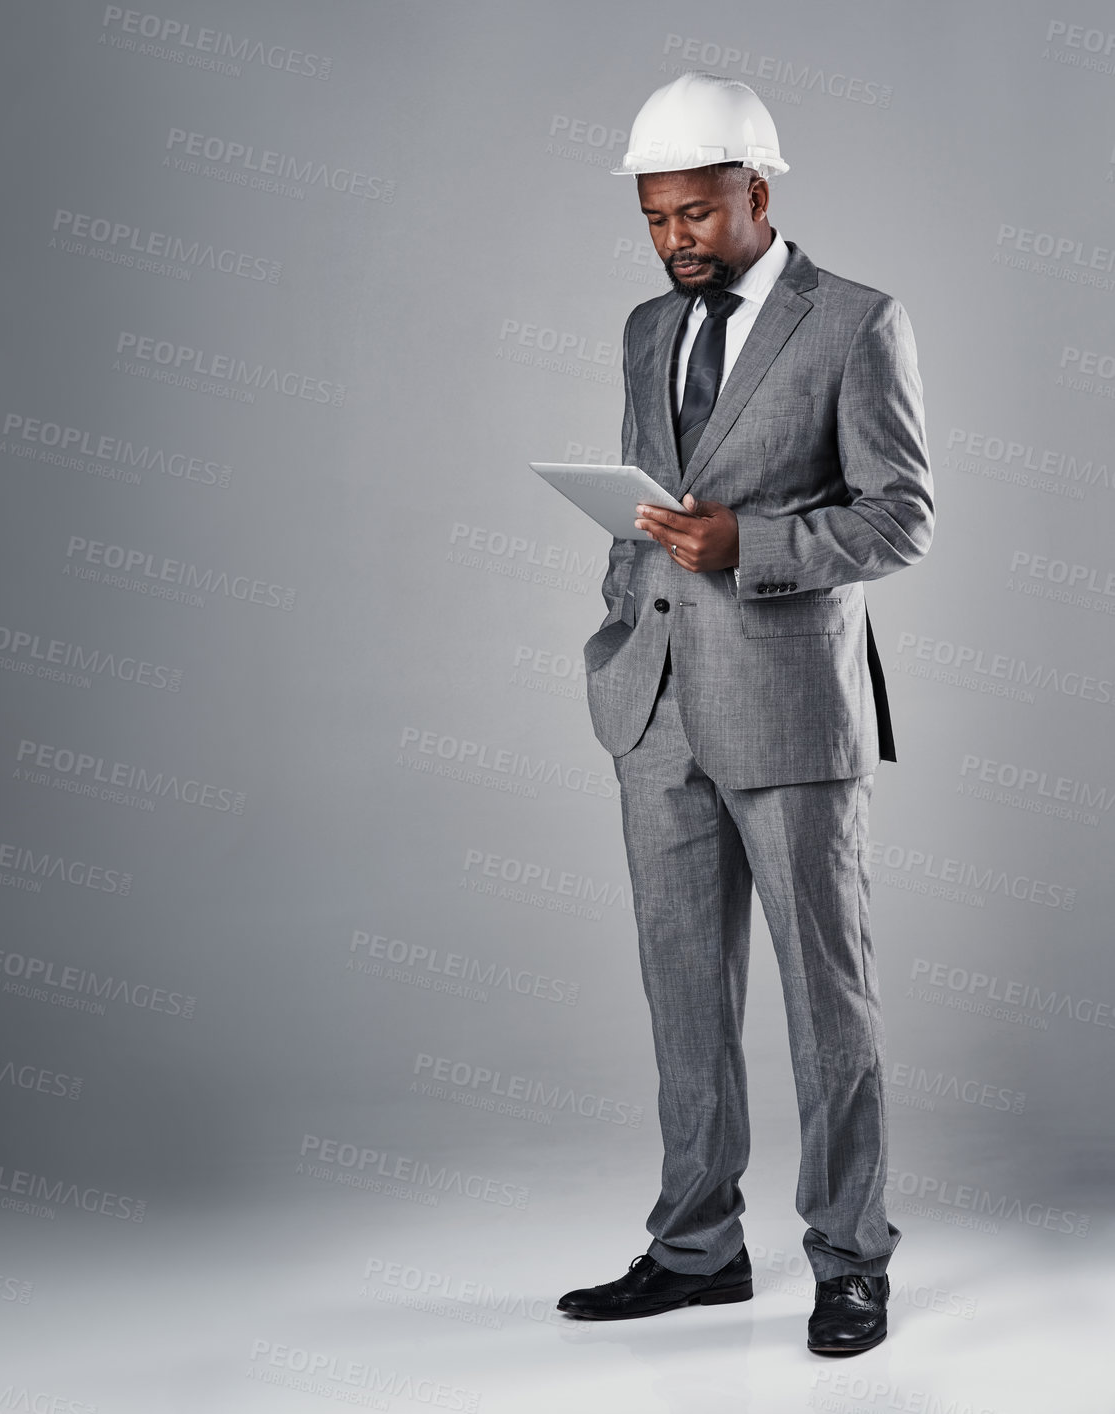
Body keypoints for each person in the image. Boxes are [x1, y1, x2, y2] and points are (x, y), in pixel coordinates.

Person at [555, 72, 935, 1357]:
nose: (673, 240)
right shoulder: (642, 330)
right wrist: (625, 609)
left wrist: (747, 543)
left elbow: (901, 515)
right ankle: (694, 1247)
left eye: (695, 214)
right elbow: (653, 500)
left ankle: (849, 1257)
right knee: (682, 994)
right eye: (656, 218)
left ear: (755, 193)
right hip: (653, 702)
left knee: (828, 998)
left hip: (785, 708)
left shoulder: (857, 324)